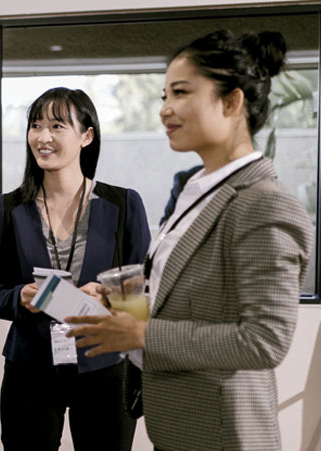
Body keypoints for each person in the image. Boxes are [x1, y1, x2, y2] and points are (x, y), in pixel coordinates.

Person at [66, 30, 314, 451]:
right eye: (164, 95)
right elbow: (191, 291)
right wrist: (125, 302)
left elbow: (264, 340)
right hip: (179, 426)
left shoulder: (264, 204)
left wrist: (142, 335)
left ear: (232, 102)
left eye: (180, 93)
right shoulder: (195, 192)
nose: (165, 109)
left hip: (224, 434)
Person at [0, 87, 151, 450]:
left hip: (105, 367)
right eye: (35, 125)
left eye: (57, 125)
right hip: (30, 368)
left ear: (86, 136)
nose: (42, 137)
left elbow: (142, 297)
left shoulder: (124, 204)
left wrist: (109, 297)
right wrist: (20, 297)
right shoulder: (8, 208)